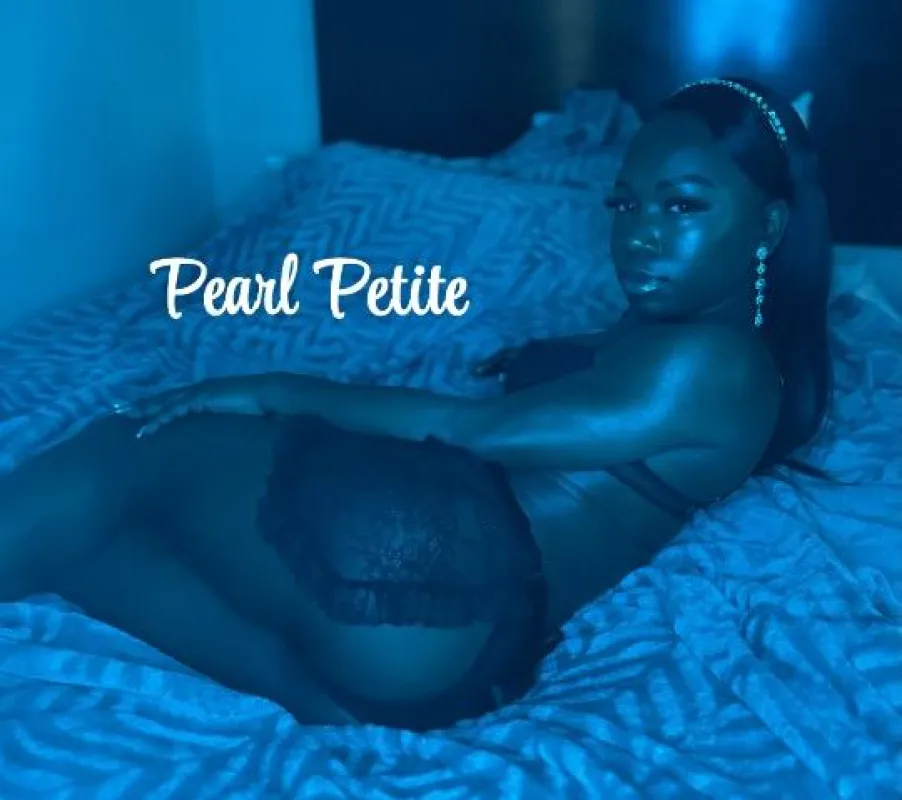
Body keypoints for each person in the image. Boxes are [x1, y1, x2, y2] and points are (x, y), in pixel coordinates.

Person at [0, 77, 832, 730]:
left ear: (768, 228)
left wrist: (274, 388)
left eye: (683, 205)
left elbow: (478, 428)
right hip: (452, 653)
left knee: (127, 445)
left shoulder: (718, 362)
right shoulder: (689, 337)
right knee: (90, 547)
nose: (639, 234)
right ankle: (330, 703)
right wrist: (541, 356)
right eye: (626, 203)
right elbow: (599, 399)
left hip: (441, 566)